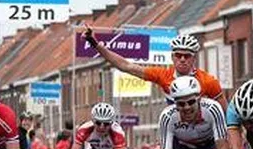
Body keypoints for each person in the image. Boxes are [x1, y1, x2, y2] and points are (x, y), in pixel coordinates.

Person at [83, 27, 227, 111]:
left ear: (194, 58)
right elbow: (125, 66)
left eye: (187, 56)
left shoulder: (208, 81)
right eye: (178, 55)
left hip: (203, 133)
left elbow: (226, 114)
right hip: (176, 131)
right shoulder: (163, 75)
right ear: (172, 57)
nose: (182, 59)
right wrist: (94, 43)